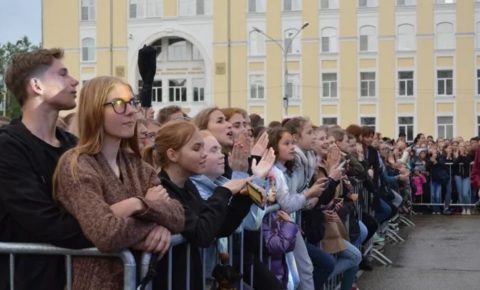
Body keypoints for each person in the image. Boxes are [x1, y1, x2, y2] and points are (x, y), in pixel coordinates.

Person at [53, 76, 185, 289]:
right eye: (119, 104)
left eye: (132, 102)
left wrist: (137, 207)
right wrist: (152, 216)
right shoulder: (76, 165)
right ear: (95, 110)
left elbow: (178, 215)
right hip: (96, 282)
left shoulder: (137, 165)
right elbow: (105, 232)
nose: (132, 111)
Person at [0, 48, 91, 290]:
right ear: (37, 86)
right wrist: (111, 229)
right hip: (27, 280)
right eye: (62, 74)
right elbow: (46, 223)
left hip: (74, 278)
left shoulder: (75, 147)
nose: (74, 81)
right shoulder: (8, 147)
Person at [142, 120, 253, 290]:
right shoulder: (163, 191)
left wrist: (243, 198)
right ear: (173, 155)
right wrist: (223, 192)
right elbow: (202, 233)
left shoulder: (188, 186)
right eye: (196, 149)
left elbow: (218, 228)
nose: (204, 154)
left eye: (203, 147)